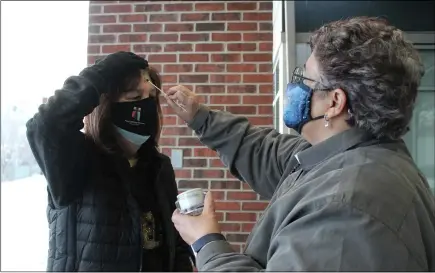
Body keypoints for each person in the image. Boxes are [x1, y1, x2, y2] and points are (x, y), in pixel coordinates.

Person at [167, 17, 435, 271]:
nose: (294, 86)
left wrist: (206, 243)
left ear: (334, 102)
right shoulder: (348, 156)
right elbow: (264, 152)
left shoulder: (346, 209)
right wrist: (199, 117)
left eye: (303, 78)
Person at [26, 52, 193, 271]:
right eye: (134, 98)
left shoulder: (159, 166)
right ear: (106, 106)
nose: (146, 106)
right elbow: (46, 126)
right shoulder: (78, 158)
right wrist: (101, 74)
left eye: (151, 97)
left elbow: (174, 245)